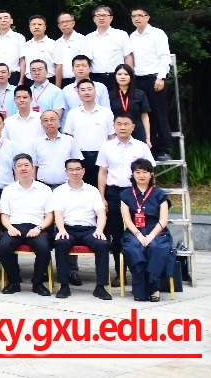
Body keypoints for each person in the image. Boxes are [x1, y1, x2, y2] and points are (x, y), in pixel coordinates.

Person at [51, 158, 113, 300]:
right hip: (68, 228)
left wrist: (99, 230)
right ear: (66, 172)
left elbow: (101, 213)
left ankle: (100, 287)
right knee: (61, 243)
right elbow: (58, 213)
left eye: (78, 169)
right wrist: (61, 230)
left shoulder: (92, 191)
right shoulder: (59, 191)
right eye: (71, 170)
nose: (75, 172)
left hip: (89, 229)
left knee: (102, 245)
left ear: (83, 171)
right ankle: (64, 286)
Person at [98, 114, 155, 265]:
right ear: (114, 126)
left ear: (133, 127)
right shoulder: (106, 147)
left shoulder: (141, 147)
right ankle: (119, 271)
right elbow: (103, 173)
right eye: (119, 124)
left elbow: (150, 172)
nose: (122, 127)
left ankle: (139, 269)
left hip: (137, 193)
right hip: (114, 193)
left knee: (140, 230)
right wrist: (102, 197)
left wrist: (150, 195)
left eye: (126, 124)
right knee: (117, 233)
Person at [0, 154, 54, 296]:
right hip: (14, 227)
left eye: (26, 165)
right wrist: (10, 228)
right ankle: (14, 281)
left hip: (37, 227)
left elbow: (49, 216)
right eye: (19, 166)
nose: (23, 168)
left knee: (44, 248)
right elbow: (4, 215)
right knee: (3, 247)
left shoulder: (44, 189)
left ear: (33, 167)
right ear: (14, 169)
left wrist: (39, 228)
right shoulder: (8, 190)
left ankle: (38, 283)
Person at [120, 159, 174, 302]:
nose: (141, 175)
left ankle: (154, 287)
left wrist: (150, 236)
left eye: (145, 172)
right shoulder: (126, 194)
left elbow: (163, 220)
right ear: (133, 174)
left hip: (156, 230)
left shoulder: (160, 194)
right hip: (134, 230)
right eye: (138, 172)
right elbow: (127, 220)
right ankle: (140, 289)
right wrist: (138, 235)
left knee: (156, 247)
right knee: (133, 248)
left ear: (151, 174)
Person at [128, 7, 173, 160]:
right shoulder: (132, 37)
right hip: (137, 80)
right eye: (134, 16)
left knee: (159, 114)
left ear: (147, 17)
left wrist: (161, 77)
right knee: (144, 115)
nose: (137, 18)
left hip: (154, 78)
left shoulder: (157, 34)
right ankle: (150, 149)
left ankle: (165, 149)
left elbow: (165, 57)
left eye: (140, 15)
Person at [110, 64, 152, 146]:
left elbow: (144, 116)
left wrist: (148, 138)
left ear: (131, 77)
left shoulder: (140, 94)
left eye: (126, 74)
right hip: (118, 131)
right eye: (119, 74)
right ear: (115, 76)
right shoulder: (110, 95)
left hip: (137, 131)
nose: (122, 77)